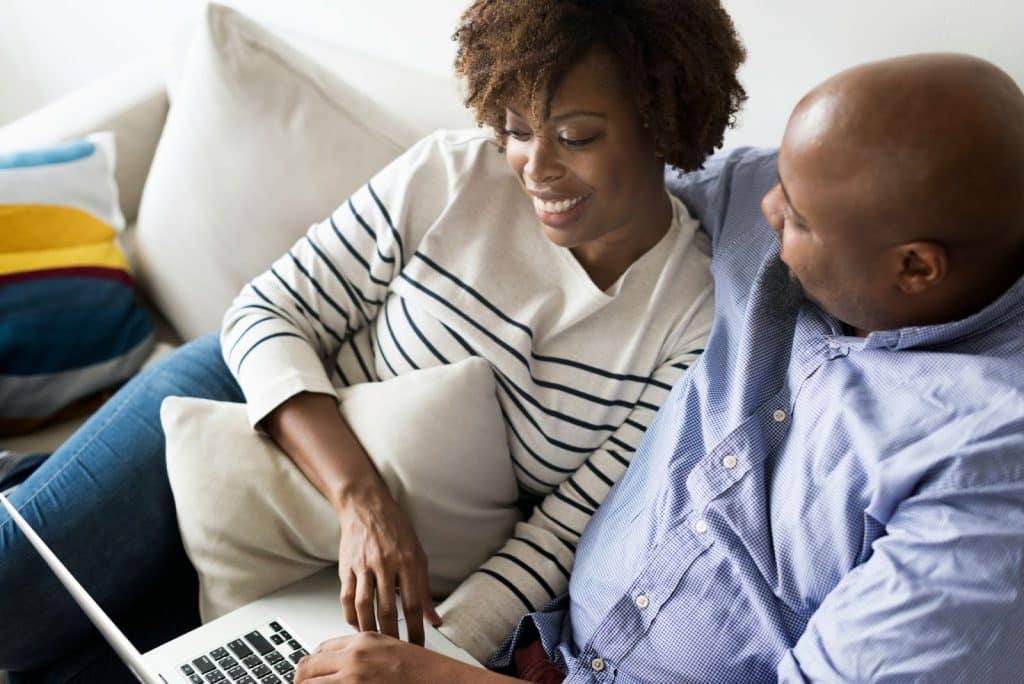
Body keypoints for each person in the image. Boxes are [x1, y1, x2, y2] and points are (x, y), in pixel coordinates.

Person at [0, 1, 747, 681]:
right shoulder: (455, 174)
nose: (536, 166)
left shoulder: (688, 320)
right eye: (517, 129)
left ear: (662, 118)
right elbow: (263, 314)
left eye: (575, 136)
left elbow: (560, 535)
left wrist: (427, 655)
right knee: (14, 611)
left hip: (328, 573)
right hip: (242, 411)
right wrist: (364, 503)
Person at [287, 53, 1024, 683]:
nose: (766, 206)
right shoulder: (778, 195)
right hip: (539, 648)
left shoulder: (988, 462)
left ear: (915, 268)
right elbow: (626, 170)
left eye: (797, 216)